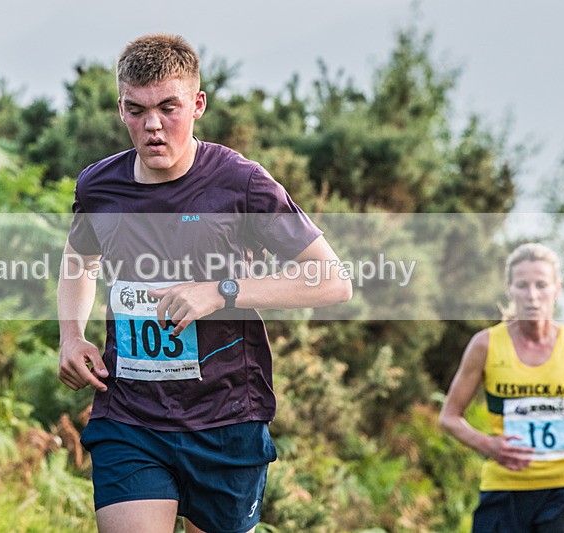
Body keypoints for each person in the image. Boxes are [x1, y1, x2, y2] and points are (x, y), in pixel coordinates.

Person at [57, 34, 352, 533]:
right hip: (131, 415)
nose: (152, 124)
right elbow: (78, 259)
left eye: (168, 108)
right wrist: (71, 333)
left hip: (225, 416)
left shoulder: (241, 183)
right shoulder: (99, 186)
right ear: (120, 108)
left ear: (197, 105)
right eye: (136, 109)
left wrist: (220, 291)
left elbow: (332, 280)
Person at [439, 243, 564, 532]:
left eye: (541, 285)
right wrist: (488, 444)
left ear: (557, 288)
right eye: (522, 285)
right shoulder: (485, 345)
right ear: (509, 289)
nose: (532, 296)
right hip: (504, 490)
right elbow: (449, 417)